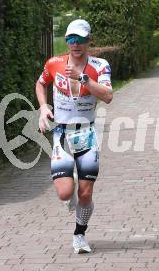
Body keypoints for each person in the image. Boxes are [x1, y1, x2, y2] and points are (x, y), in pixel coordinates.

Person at [35, 19, 113, 254]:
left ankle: (79, 234)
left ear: (89, 41)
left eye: (80, 40)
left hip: (87, 133)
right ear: (67, 41)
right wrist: (42, 107)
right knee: (65, 193)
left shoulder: (99, 66)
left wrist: (83, 78)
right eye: (71, 39)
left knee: (86, 192)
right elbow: (40, 84)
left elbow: (108, 96)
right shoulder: (54, 63)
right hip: (62, 133)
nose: (75, 44)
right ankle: (73, 198)